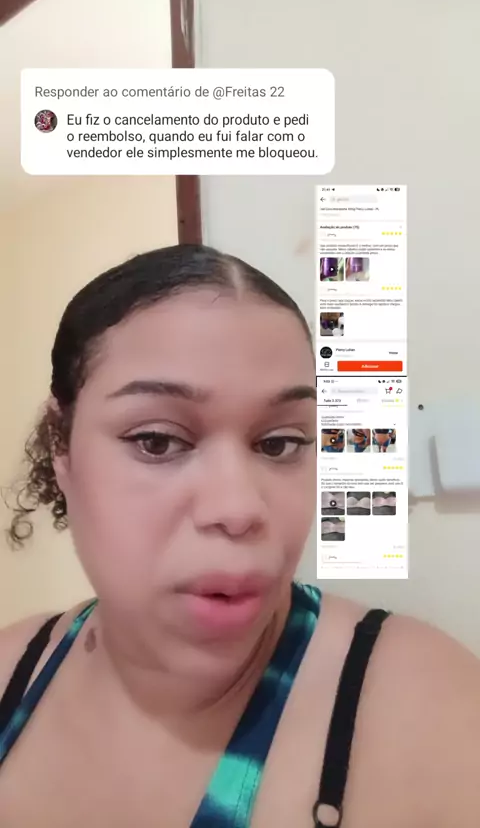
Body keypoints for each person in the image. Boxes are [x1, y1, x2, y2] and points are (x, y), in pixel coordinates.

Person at [0, 244, 478, 828]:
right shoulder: (9, 670)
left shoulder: (424, 707)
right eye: (157, 440)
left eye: (280, 443)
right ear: (62, 447)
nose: (237, 509)